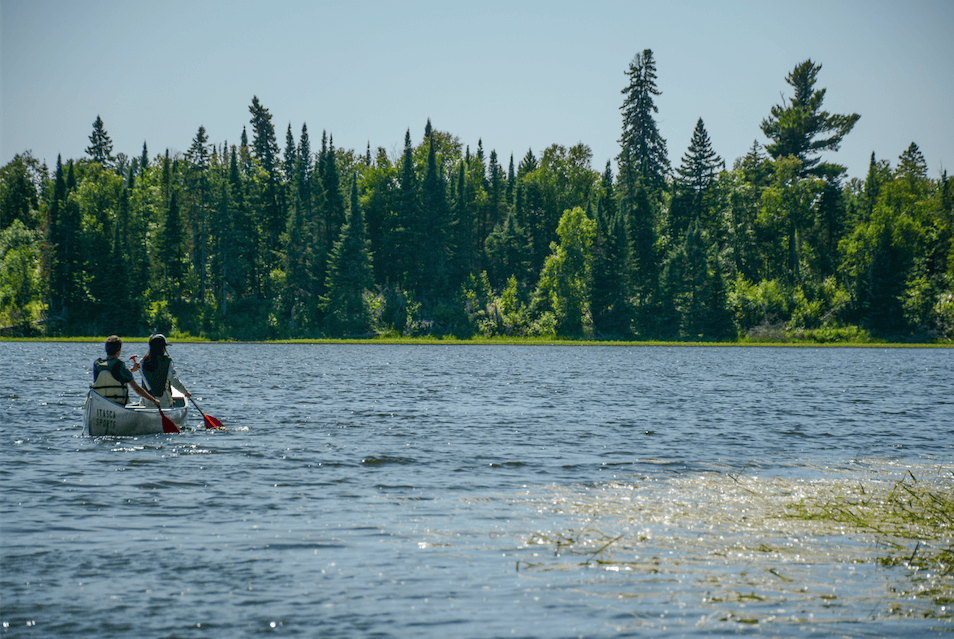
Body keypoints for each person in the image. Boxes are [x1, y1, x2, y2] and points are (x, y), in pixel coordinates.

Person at [91, 335, 159, 407]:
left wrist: (131, 370)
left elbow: (111, 375)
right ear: (119, 350)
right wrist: (154, 400)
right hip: (118, 404)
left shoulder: (98, 364)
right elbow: (137, 389)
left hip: (101, 404)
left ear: (106, 349)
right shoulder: (119, 365)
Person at [132, 334, 191, 408]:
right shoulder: (167, 361)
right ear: (162, 348)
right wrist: (186, 392)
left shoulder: (142, 361)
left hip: (146, 403)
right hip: (164, 403)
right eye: (165, 347)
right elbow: (174, 380)